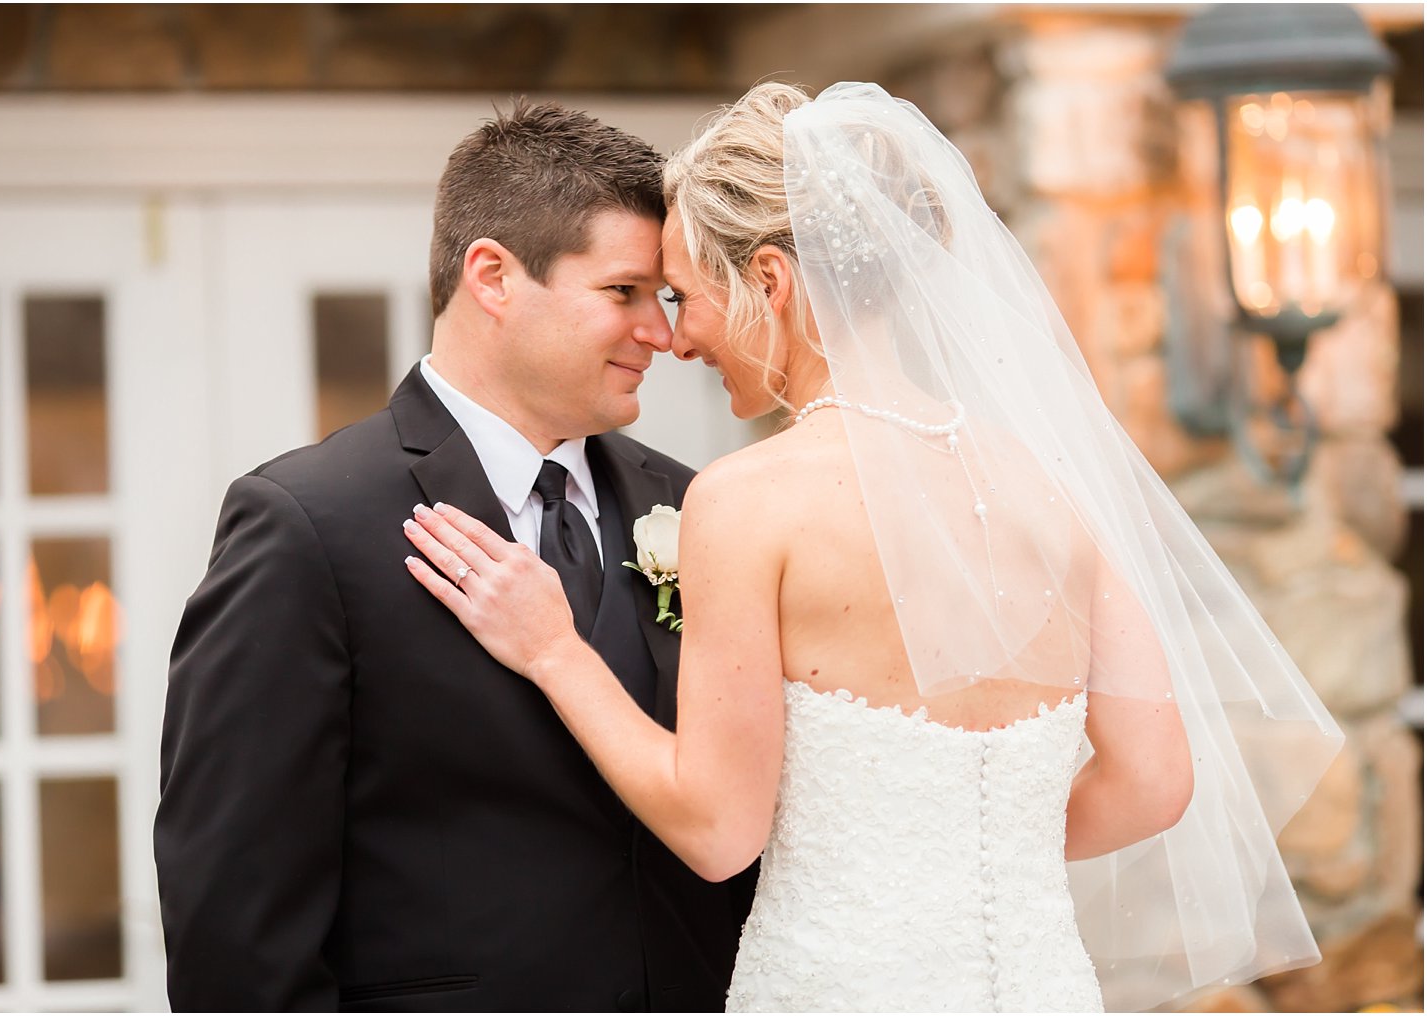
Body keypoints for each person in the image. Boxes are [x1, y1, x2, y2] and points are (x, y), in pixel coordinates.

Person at [403, 82, 1345, 1012]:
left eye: (685, 296)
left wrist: (556, 652)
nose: (676, 336)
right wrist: (975, 851)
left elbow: (718, 831)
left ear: (768, 282)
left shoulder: (748, 500)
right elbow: (1153, 783)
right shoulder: (1053, 487)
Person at [154, 100, 755, 1012]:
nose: (663, 336)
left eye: (664, 300)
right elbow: (235, 923)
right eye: (622, 292)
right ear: (493, 277)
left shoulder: (693, 504)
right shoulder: (307, 524)